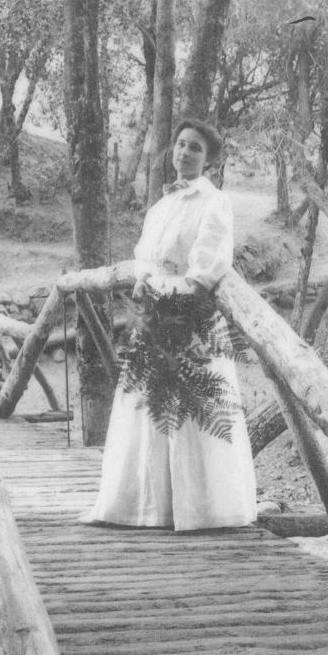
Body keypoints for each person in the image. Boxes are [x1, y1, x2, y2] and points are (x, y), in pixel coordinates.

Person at [85, 119, 257, 531]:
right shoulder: (161, 206)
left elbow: (207, 265)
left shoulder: (214, 203)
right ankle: (148, 505)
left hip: (189, 317)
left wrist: (174, 298)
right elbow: (147, 256)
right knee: (149, 407)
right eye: (179, 144)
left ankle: (198, 509)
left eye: (194, 148)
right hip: (154, 312)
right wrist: (145, 282)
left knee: (191, 412)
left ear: (209, 160)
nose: (184, 153)